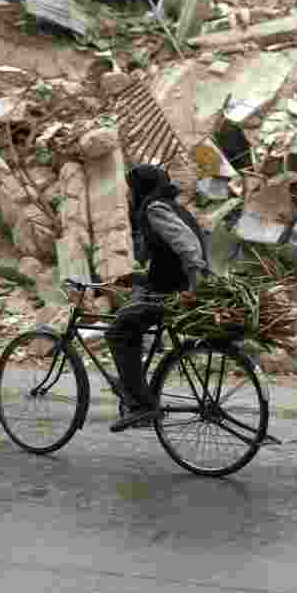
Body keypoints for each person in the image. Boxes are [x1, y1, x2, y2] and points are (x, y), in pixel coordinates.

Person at [105, 164, 211, 432]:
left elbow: (188, 247)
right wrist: (136, 278)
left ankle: (142, 405)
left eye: (131, 190)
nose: (129, 197)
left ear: (141, 189)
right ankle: (134, 383)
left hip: (177, 294)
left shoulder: (155, 209)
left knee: (118, 331)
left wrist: (194, 290)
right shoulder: (171, 206)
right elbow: (166, 259)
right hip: (170, 288)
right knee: (131, 318)